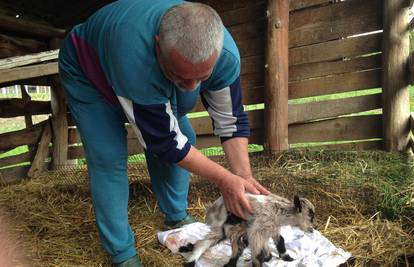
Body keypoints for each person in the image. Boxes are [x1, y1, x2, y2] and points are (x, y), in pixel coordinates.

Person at [58, 0, 270, 266]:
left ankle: (176, 215)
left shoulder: (224, 56)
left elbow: (230, 120)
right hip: (89, 71)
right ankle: (122, 253)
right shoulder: (136, 57)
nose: (191, 87)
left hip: (143, 71)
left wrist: (243, 176)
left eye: (201, 78)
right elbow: (165, 142)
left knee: (186, 138)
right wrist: (224, 179)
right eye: (180, 76)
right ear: (158, 45)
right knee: (108, 156)